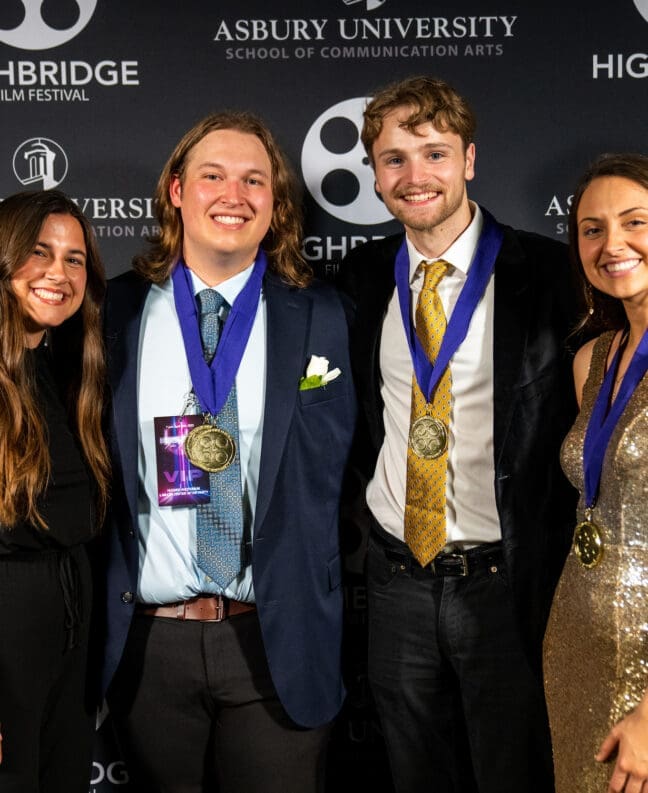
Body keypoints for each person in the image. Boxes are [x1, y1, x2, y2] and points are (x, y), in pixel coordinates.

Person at [98, 111, 356, 793]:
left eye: (253, 180)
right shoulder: (112, 312)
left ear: (276, 203)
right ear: (177, 191)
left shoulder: (323, 312)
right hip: (150, 647)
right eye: (212, 175)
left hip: (277, 637)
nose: (233, 195)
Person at [337, 75, 577, 793]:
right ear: (375, 174)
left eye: (434, 154)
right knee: (413, 774)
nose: (415, 177)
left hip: (505, 583)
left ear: (469, 160)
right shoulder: (357, 278)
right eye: (394, 159)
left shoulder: (552, 274)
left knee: (514, 772)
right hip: (395, 577)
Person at [544, 152, 648, 793]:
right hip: (576, 646)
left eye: (635, 221)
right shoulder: (593, 358)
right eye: (591, 228)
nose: (612, 245)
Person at [0, 190, 110, 792]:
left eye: (74, 259)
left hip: (69, 628)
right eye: (39, 252)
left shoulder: (68, 373)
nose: (58, 273)